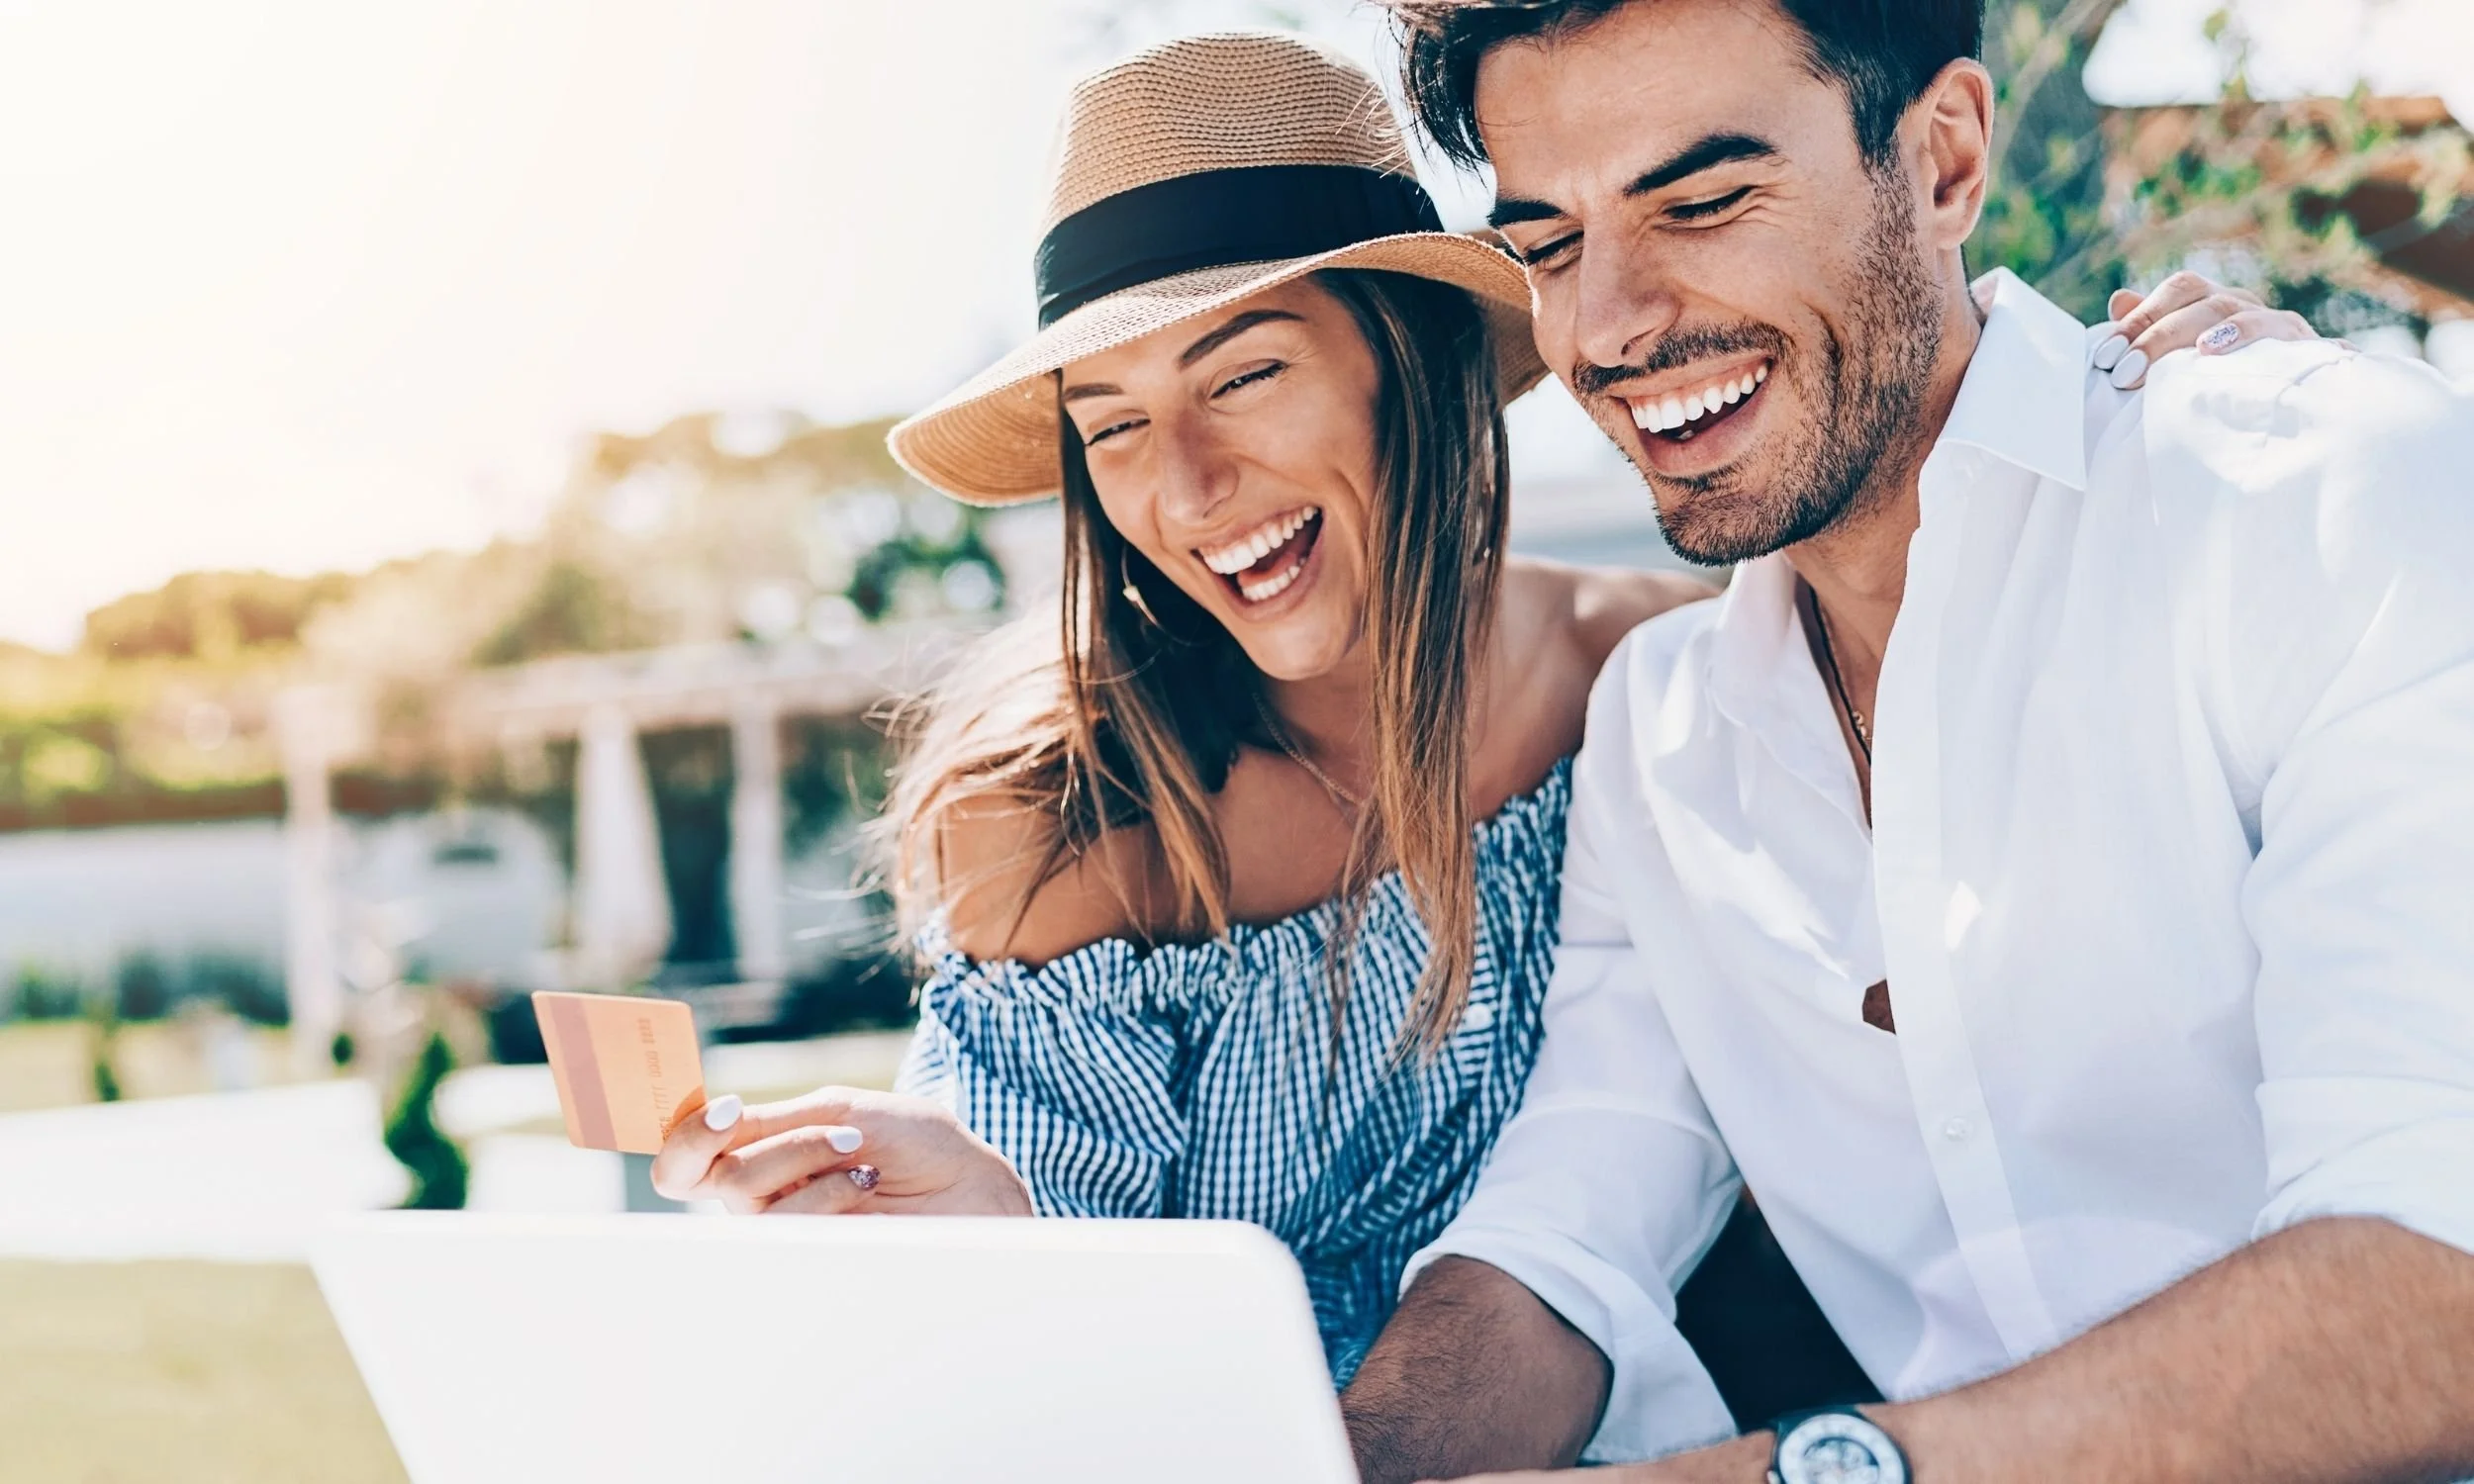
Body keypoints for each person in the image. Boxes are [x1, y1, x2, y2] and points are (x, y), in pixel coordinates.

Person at [649, 29, 2317, 1404]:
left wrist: (2176, 400)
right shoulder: (1062, 803)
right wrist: (978, 1217)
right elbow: (1042, 1316)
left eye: (1244, 377)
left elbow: (1931, 489)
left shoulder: (1683, 698)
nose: (1189, 487)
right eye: (1113, 425)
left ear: (1417, 358)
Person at [1331, 3, 2474, 1483]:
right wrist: (1345, 1460)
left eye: (1703, 201)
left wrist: (1811, 1473)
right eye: (1548, 245)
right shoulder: (1661, 739)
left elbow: (2442, 1270)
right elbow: (1568, 1235)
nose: (1607, 325)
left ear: (1941, 162)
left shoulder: (2313, 500)